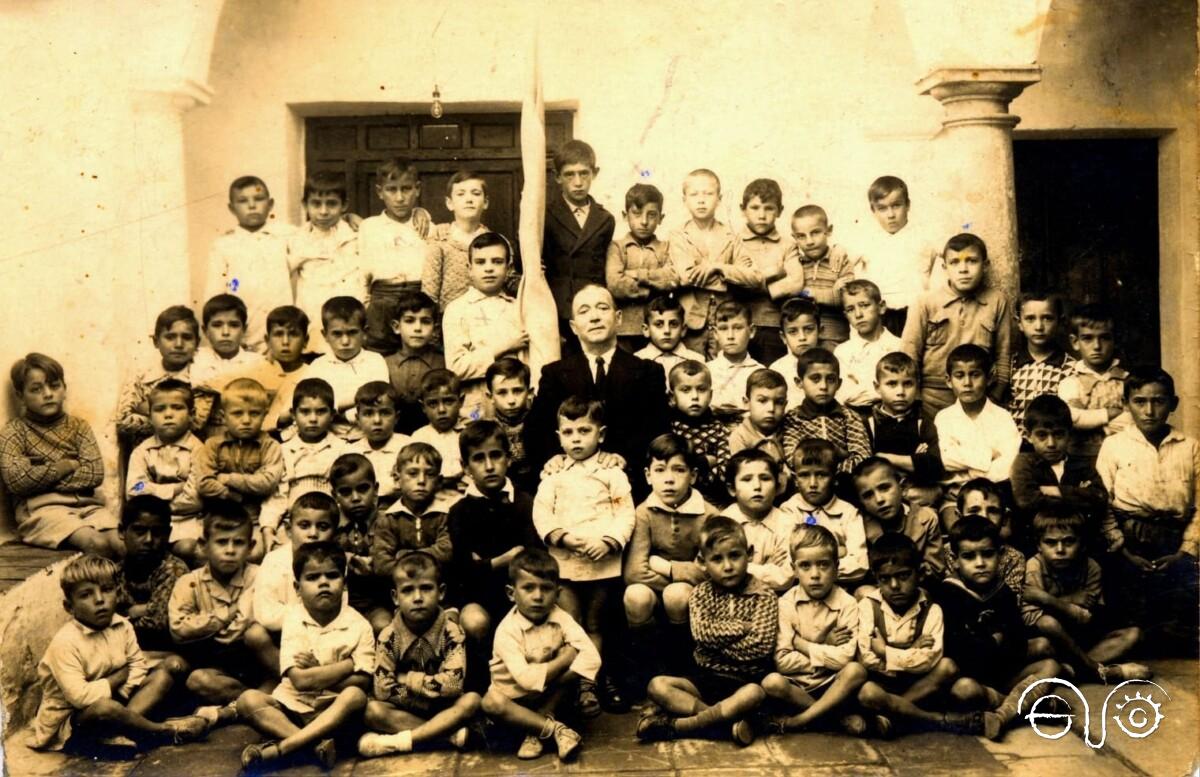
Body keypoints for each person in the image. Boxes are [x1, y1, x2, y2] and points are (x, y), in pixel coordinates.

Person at [31, 555, 207, 752]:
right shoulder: (65, 643)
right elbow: (80, 697)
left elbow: (138, 664)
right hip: (72, 719)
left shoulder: (122, 625)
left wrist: (123, 696)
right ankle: (163, 731)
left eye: (106, 590)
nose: (99, 600)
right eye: (86, 595)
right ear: (69, 607)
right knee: (105, 708)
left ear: (118, 592)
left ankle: (122, 730)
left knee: (164, 674)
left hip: (117, 701)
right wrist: (119, 678)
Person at [532, 397, 635, 716]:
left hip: (602, 562)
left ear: (600, 435)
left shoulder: (612, 472)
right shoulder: (553, 473)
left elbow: (625, 512)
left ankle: (590, 685)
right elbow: (541, 512)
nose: (576, 439)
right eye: (568, 432)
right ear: (559, 435)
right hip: (565, 562)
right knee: (570, 622)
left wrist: (609, 541)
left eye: (584, 431)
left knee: (595, 623)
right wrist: (561, 536)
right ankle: (570, 686)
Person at [636, 516, 775, 747]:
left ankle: (679, 727)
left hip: (746, 679)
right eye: (717, 559)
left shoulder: (764, 595)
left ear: (749, 554)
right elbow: (702, 633)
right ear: (702, 561)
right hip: (705, 677)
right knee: (657, 685)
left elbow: (760, 646)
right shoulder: (701, 593)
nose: (728, 566)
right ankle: (722, 722)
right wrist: (744, 627)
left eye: (735, 556)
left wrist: (717, 643)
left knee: (753, 693)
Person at [237, 541, 374, 771]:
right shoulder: (293, 618)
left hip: (334, 713)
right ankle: (314, 746)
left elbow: (362, 682)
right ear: (297, 588)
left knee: (354, 696)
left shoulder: (360, 625)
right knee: (248, 700)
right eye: (312, 578)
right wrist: (347, 665)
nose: (323, 583)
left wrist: (317, 669)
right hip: (292, 709)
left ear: (345, 583)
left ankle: (286, 747)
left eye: (332, 576)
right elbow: (300, 681)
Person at [525, 283, 669, 499]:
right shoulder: (555, 374)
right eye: (584, 311)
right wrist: (552, 457)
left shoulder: (648, 371)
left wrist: (625, 456)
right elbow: (536, 430)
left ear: (618, 317)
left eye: (602, 308)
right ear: (573, 327)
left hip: (630, 485)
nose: (594, 317)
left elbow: (658, 429)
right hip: (571, 487)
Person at [933, 516, 1063, 741]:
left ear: (1000, 555)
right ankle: (1028, 707)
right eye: (969, 556)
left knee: (1051, 665)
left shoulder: (1004, 592)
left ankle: (1002, 715)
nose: (980, 563)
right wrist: (995, 640)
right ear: (954, 560)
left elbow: (1017, 644)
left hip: (1003, 673)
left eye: (987, 554)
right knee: (964, 690)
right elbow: (957, 651)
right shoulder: (947, 594)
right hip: (972, 679)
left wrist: (989, 642)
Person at [1096, 367, 1199, 643]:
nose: (1149, 410)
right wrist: (1122, 547)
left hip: (1175, 541)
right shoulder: (1114, 446)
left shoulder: (1190, 447)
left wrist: (1185, 550)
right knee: (1130, 613)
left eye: (1159, 401)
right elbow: (1101, 500)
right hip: (1129, 540)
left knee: (1181, 616)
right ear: (1125, 404)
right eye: (1140, 402)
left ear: (1173, 403)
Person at [448, 420, 542, 691]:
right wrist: (504, 559)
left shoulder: (524, 502)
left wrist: (485, 562)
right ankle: (481, 692)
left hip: (521, 594)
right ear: (466, 467)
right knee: (474, 622)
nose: (489, 466)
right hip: (480, 598)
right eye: (478, 459)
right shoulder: (459, 511)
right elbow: (463, 568)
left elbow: (531, 555)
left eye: (496, 455)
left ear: (508, 458)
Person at [359, 551, 481, 757]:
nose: (417, 598)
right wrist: (425, 693)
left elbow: (453, 685)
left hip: (444, 707)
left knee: (472, 701)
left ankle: (398, 742)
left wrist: (408, 680)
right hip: (409, 710)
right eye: (407, 590)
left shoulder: (452, 631)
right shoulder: (388, 636)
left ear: (441, 592)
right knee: (372, 710)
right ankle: (446, 736)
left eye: (426, 588)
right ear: (395, 597)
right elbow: (382, 690)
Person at [480, 549, 597, 762]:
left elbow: (592, 658)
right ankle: (555, 729)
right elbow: (526, 679)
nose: (538, 597)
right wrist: (566, 658)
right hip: (515, 701)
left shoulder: (561, 618)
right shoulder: (507, 630)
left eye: (546, 589)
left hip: (549, 694)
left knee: (575, 659)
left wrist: (567, 664)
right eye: (528, 588)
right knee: (490, 703)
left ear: (557, 593)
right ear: (510, 593)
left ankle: (536, 730)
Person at [623, 433, 719, 687]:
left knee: (677, 595)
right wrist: (676, 580)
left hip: (693, 596)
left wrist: (665, 566)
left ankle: (683, 667)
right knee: (635, 595)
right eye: (660, 470)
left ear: (694, 476)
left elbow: (710, 571)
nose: (668, 479)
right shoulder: (644, 512)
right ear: (647, 475)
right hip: (657, 597)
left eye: (679, 470)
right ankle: (649, 670)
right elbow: (634, 573)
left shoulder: (708, 514)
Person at [0, 352, 119, 555]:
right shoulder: (14, 432)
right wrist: (66, 466)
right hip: (42, 512)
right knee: (97, 544)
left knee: (123, 544)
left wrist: (39, 479)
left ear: (64, 388)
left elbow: (94, 473)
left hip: (88, 507)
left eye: (54, 386)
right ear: (20, 395)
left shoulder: (78, 426)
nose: (47, 394)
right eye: (36, 389)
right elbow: (17, 481)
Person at [1022, 507, 1152, 683]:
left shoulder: (1091, 567)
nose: (1060, 550)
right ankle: (1095, 670)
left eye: (1069, 542)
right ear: (1039, 545)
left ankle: (1074, 670)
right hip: (1051, 643)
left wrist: (1044, 599)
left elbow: (1086, 617)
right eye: (1050, 543)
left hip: (1082, 641)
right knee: (1047, 623)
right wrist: (1070, 601)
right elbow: (1031, 617)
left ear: (1081, 544)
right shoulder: (1034, 566)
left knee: (1133, 634)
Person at [760, 524, 866, 734]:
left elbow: (845, 659)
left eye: (824, 565)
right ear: (794, 569)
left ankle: (799, 721)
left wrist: (802, 645)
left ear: (837, 567)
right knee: (772, 682)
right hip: (797, 686)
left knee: (855, 671)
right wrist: (825, 648)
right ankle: (834, 719)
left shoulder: (847, 603)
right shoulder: (786, 603)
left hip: (832, 685)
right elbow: (782, 661)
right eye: (805, 566)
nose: (815, 574)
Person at [854, 533, 959, 737]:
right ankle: (925, 718)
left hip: (918, 687)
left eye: (903, 576)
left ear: (919, 574)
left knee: (948, 667)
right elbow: (867, 659)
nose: (894, 586)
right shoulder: (868, 606)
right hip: (882, 684)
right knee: (867, 692)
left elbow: (930, 659)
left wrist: (886, 652)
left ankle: (893, 715)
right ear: (876, 578)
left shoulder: (932, 610)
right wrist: (911, 651)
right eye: (885, 579)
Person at [167, 501, 270, 706]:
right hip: (215, 667)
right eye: (222, 542)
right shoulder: (189, 582)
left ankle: (251, 703)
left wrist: (207, 625)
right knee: (199, 680)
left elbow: (234, 633)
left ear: (250, 547)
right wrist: (227, 614)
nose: (230, 550)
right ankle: (254, 702)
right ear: (204, 545)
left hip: (253, 663)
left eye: (238, 543)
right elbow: (178, 629)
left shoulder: (260, 577)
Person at [902, 233, 1012, 415]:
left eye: (971, 261)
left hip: (980, 396)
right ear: (945, 267)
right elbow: (909, 354)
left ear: (985, 265)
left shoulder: (997, 301)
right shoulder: (925, 302)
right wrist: (916, 402)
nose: (963, 269)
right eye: (955, 262)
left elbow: (1003, 354)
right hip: (933, 397)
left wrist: (995, 397)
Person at [187, 377, 284, 562]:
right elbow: (204, 484)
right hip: (217, 519)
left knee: (256, 554)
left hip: (252, 519)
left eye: (254, 414)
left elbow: (267, 482)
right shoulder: (212, 445)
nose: (246, 420)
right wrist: (235, 496)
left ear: (265, 414)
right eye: (238, 414)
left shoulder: (270, 446)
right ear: (224, 416)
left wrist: (228, 478)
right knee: (201, 554)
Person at [1010, 394, 1116, 552]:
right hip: (1036, 547)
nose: (1051, 443)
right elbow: (1026, 501)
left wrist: (1057, 491)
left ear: (1070, 434)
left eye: (1058, 434)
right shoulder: (1025, 463)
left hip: (1079, 546)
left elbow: (1099, 498)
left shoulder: (1081, 464)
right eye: (1042, 435)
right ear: (1028, 436)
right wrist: (1079, 496)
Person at [442, 232, 529, 421]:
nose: (489, 269)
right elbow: (456, 367)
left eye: (497, 262)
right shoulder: (457, 309)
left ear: (508, 268)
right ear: (469, 268)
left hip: (516, 407)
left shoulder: (518, 307)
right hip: (475, 408)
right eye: (481, 262)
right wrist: (503, 347)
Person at [933, 343, 1021, 529]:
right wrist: (987, 456)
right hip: (955, 497)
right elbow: (947, 459)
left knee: (1004, 533)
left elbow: (1007, 465)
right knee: (956, 531)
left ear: (989, 378)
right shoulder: (944, 418)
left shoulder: (1002, 417)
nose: (967, 383)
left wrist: (967, 470)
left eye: (975, 375)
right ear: (948, 380)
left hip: (995, 497)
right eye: (960, 376)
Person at [203, 175, 293, 352]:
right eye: (243, 201)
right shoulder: (223, 245)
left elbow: (317, 236)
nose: (252, 206)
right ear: (232, 208)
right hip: (243, 334)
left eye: (259, 199)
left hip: (282, 333)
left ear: (270, 204)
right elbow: (214, 293)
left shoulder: (287, 236)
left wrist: (351, 218)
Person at [371, 443, 456, 627]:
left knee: (451, 628)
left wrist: (403, 556)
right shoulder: (389, 519)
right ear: (397, 478)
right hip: (402, 600)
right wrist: (425, 559)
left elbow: (446, 553)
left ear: (440, 481)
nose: (421, 480)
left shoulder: (446, 515)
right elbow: (382, 564)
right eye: (412, 473)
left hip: (442, 600)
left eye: (430, 474)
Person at [259, 378, 349, 546]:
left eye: (321, 412)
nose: (313, 419)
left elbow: (345, 495)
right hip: (294, 524)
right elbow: (278, 496)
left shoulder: (342, 449)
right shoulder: (284, 451)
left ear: (332, 415)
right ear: (293, 414)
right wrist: (268, 528)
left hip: (330, 524)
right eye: (305, 412)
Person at [543, 140, 616, 342]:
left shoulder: (605, 219)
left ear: (595, 173)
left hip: (593, 312)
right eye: (569, 174)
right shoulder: (544, 216)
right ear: (557, 177)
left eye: (584, 173)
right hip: (557, 311)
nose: (578, 182)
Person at [125, 379, 205, 565]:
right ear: (150, 416)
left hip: (188, 521)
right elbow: (134, 490)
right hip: (150, 523)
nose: (168, 414)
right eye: (160, 409)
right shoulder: (142, 451)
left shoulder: (199, 451)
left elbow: (194, 499)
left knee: (186, 549)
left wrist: (151, 490)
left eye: (177, 408)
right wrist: (176, 488)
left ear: (192, 414)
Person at [287, 296, 390, 439]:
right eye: (337, 334)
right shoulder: (318, 366)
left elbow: (378, 401)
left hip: (367, 437)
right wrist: (354, 402)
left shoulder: (375, 361)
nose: (345, 341)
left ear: (365, 332)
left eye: (352, 332)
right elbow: (309, 404)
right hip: (328, 439)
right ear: (325, 335)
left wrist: (334, 410)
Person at [359, 158, 433, 353]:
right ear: (379, 192)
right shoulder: (369, 227)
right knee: (378, 356)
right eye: (392, 189)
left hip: (417, 301)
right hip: (382, 301)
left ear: (417, 189)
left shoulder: (427, 227)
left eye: (406, 189)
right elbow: (360, 276)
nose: (400, 198)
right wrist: (364, 311)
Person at [668, 169, 744, 355]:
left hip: (726, 323)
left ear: (719, 198)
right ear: (684, 199)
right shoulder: (678, 235)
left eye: (708, 194)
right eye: (694, 194)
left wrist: (717, 267)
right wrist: (729, 277)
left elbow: (753, 277)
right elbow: (687, 276)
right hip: (690, 322)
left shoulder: (732, 235)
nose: (701, 200)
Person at [287, 170, 365, 348]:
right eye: (316, 204)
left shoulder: (357, 234)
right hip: (314, 323)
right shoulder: (296, 239)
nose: (323, 211)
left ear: (344, 205)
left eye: (331, 204)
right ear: (305, 205)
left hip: (349, 325)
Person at [854, 176, 940, 336]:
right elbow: (845, 262)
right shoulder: (866, 241)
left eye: (896, 206)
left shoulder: (925, 238)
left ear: (908, 205)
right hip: (881, 316)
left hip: (916, 312)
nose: (891, 214)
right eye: (882, 208)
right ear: (873, 210)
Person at [781, 439, 870, 589]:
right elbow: (788, 566)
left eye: (821, 475)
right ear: (795, 480)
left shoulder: (848, 512)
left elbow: (860, 565)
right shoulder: (789, 510)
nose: (813, 483)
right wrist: (838, 552)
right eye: (804, 475)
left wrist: (809, 563)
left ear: (834, 478)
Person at [253, 491, 340, 636]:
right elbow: (265, 613)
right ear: (288, 530)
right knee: (255, 634)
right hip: (282, 631)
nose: (313, 533)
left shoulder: (336, 562)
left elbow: (336, 609)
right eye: (304, 525)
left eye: (323, 527)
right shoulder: (273, 561)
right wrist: (308, 616)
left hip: (322, 632)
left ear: (335, 534)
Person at [865, 352, 944, 510]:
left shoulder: (924, 422)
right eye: (892, 384)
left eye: (908, 384)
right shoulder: (869, 424)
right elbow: (866, 468)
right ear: (877, 387)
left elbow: (934, 467)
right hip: (880, 500)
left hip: (919, 499)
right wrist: (915, 460)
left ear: (917, 386)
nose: (900, 391)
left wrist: (883, 457)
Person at [772, 204, 856, 350]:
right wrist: (830, 294)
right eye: (801, 236)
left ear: (829, 231)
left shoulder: (840, 261)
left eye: (815, 232)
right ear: (794, 238)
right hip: (801, 339)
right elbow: (786, 298)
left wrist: (807, 292)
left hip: (834, 338)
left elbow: (845, 297)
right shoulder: (795, 264)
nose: (809, 241)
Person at [114, 495, 191, 652]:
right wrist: (147, 608)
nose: (149, 540)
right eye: (139, 531)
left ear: (168, 534)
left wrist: (126, 615)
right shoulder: (116, 570)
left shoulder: (173, 570)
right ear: (122, 531)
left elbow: (157, 625)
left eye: (157, 532)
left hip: (165, 652)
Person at [607, 183, 677, 352]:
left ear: (661, 218)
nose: (644, 221)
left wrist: (636, 275)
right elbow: (616, 285)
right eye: (637, 214)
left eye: (651, 215)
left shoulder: (666, 247)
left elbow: (672, 278)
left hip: (658, 329)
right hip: (624, 330)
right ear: (625, 215)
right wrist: (653, 289)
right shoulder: (617, 247)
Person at [779, 347, 872, 475]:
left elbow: (862, 458)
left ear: (839, 383)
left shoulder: (849, 417)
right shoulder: (793, 418)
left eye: (830, 379)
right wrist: (839, 453)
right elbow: (793, 458)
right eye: (815, 379)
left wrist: (830, 474)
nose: (823, 386)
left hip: (844, 483)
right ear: (799, 382)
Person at [1058, 303, 1131, 466]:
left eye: (1104, 337)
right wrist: (1110, 414)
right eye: (1088, 338)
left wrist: (1091, 420)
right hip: (1082, 459)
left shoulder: (1128, 381)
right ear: (1075, 342)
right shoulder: (1070, 383)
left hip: (1122, 458)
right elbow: (1073, 419)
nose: (1097, 346)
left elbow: (1131, 422)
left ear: (1115, 340)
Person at [116, 305, 200, 445]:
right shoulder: (142, 377)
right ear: (156, 341)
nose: (179, 344)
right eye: (170, 337)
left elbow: (197, 424)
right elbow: (123, 422)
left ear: (197, 342)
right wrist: (174, 418)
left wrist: (147, 409)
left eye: (186, 337)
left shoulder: (201, 378)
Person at [852, 457, 944, 582]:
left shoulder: (927, 519)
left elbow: (936, 570)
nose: (879, 499)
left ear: (903, 487)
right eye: (868, 495)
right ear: (861, 502)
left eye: (884, 488)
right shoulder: (859, 525)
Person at [190, 294, 270, 433]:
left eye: (233, 325)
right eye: (217, 325)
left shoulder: (256, 362)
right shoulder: (196, 357)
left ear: (244, 330)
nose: (225, 332)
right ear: (205, 331)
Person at [329, 454, 391, 633]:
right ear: (335, 495)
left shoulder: (387, 523)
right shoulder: (331, 527)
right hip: (340, 605)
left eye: (363, 489)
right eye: (346, 492)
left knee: (383, 626)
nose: (355, 498)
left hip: (378, 603)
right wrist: (346, 559)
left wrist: (378, 562)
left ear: (376, 489)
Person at [731, 178, 790, 363]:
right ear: (743, 209)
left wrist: (750, 277)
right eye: (755, 208)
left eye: (769, 208)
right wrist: (774, 272)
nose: (762, 215)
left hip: (773, 326)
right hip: (738, 327)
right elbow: (732, 285)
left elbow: (794, 284)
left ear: (780, 210)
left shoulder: (788, 244)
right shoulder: (732, 241)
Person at [719, 449, 793, 592]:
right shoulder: (723, 522)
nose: (757, 486)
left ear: (778, 486)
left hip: (774, 599)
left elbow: (785, 578)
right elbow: (717, 572)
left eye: (765, 478)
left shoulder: (786, 523)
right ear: (732, 489)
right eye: (747, 479)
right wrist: (767, 568)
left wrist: (742, 568)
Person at [422, 170, 495, 312]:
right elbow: (429, 291)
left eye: (476, 193)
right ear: (450, 203)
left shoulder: (494, 242)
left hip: (486, 316)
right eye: (461, 194)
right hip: (448, 319)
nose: (469, 199)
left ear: (485, 202)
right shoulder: (440, 239)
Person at [668, 360, 733, 507]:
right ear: (672, 397)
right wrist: (705, 462)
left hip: (715, 500)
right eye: (685, 390)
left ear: (710, 395)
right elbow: (673, 466)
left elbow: (725, 470)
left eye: (701, 389)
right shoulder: (671, 429)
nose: (695, 397)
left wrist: (696, 472)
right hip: (678, 500)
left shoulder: (718, 429)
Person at [382, 290, 446, 435]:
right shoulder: (384, 364)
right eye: (410, 321)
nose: (418, 328)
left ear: (435, 329)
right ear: (396, 327)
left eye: (425, 321)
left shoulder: (443, 363)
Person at [834, 279, 902, 414]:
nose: (858, 314)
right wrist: (885, 390)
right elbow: (845, 395)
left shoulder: (899, 346)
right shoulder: (843, 352)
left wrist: (860, 386)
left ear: (881, 307)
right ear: (845, 315)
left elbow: (902, 393)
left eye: (864, 305)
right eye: (850, 309)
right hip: (856, 420)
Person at [1008, 292, 1074, 431]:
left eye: (1047, 318)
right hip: (1015, 446)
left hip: (1051, 445)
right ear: (1019, 323)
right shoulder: (1010, 365)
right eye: (1030, 319)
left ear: (1060, 322)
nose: (1039, 326)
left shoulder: (1071, 368)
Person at [346, 381, 411, 508]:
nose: (377, 420)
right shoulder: (351, 452)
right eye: (368, 413)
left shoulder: (407, 447)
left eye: (385, 413)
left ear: (396, 417)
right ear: (357, 419)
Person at [485, 358, 536, 494]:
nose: (511, 400)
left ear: (530, 392)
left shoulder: (540, 424)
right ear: (490, 397)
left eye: (517, 391)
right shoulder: (487, 431)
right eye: (502, 393)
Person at [410, 369, 467, 489]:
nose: (441, 410)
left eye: (448, 401)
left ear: (460, 401)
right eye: (433, 404)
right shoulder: (419, 438)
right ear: (423, 407)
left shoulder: (468, 433)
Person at [706, 300, 764, 417]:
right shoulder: (707, 370)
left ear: (751, 331)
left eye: (737, 328)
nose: (730, 336)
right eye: (723, 329)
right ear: (715, 334)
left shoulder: (760, 371)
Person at [727, 369, 789, 465]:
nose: (771, 409)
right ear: (747, 403)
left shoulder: (789, 430)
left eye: (778, 402)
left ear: (785, 405)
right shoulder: (740, 437)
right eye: (762, 401)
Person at [633, 293, 706, 375]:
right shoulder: (636, 360)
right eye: (659, 324)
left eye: (673, 324)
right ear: (646, 330)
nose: (667, 331)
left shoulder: (697, 360)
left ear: (683, 330)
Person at [769, 297, 821, 410]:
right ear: (783, 337)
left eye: (808, 329)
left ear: (819, 331)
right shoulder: (777, 369)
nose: (802, 337)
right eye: (793, 332)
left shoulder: (830, 364)